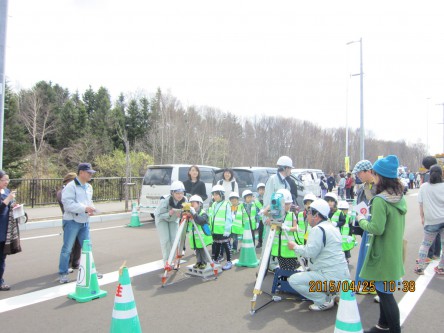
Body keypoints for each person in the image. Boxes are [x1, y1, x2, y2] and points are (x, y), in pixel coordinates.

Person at [356, 155, 406, 333]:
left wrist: (361, 220)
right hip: (393, 252)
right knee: (386, 291)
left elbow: (376, 228)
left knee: (385, 296)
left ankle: (394, 329)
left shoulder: (379, 200)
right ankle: (383, 324)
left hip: (381, 254)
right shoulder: (399, 197)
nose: (373, 176)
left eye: (375, 174)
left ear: (380, 176)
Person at [287, 199, 350, 311]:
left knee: (293, 280)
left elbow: (309, 252)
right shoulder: (332, 227)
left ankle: (323, 300)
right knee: (311, 272)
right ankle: (333, 294)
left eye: (309, 212)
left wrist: (295, 247)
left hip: (330, 277)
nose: (307, 216)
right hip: (343, 276)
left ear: (316, 215)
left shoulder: (318, 229)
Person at [58, 163, 99, 284]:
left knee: (87, 247)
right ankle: (63, 273)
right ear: (81, 172)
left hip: (84, 220)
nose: (91, 174)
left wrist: (91, 208)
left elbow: (89, 202)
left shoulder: (89, 187)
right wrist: (85, 208)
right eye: (88, 172)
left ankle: (91, 271)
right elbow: (68, 204)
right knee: (67, 248)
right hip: (71, 220)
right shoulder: (70, 186)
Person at [261, 156, 293, 271]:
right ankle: (263, 267)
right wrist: (267, 216)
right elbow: (268, 199)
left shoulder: (286, 183)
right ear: (285, 168)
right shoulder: (273, 179)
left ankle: (272, 264)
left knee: (276, 241)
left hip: (281, 218)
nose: (291, 171)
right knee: (268, 242)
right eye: (290, 168)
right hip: (272, 218)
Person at [351, 159, 377, 294]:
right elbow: (360, 206)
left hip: (377, 227)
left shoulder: (380, 186)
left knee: (375, 256)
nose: (358, 176)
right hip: (366, 226)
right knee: (365, 255)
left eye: (360, 173)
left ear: (369, 171)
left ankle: (376, 286)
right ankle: (366, 284)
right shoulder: (363, 188)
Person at [414, 164, 444, 275]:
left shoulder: (424, 187)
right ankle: (441, 267)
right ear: (441, 174)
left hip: (431, 221)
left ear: (429, 174)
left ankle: (420, 268)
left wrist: (422, 218)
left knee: (425, 244)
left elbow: (421, 204)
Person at [154, 181, 187, 265]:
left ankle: (174, 259)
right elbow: (158, 215)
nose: (180, 195)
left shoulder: (185, 200)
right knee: (165, 240)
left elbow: (187, 212)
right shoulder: (165, 200)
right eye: (177, 193)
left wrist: (182, 214)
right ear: (172, 193)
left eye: (182, 193)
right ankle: (166, 261)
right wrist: (169, 213)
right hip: (162, 220)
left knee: (175, 239)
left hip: (173, 219)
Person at [57, 172, 81, 273]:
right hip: (69, 220)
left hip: (78, 219)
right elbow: (67, 204)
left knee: (78, 243)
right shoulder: (62, 191)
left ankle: (75, 262)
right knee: (69, 244)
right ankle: (66, 265)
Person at [272, 189, 300, 271]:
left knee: (291, 269)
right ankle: (283, 282)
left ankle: (289, 282)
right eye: (285, 204)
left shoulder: (292, 215)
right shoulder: (275, 215)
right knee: (282, 269)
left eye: (289, 204)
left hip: (289, 248)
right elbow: (274, 228)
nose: (287, 206)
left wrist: (287, 228)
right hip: (279, 249)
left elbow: (295, 228)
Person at [208, 184, 233, 270]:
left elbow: (229, 218)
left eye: (216, 194)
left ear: (222, 194)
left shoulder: (226, 204)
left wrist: (227, 230)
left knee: (226, 245)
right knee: (217, 244)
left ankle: (229, 261)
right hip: (215, 230)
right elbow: (211, 216)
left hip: (223, 230)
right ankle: (215, 259)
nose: (215, 196)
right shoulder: (214, 204)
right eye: (213, 194)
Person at [0, 171, 17, 291]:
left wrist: (15, 206)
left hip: (5, 230)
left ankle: (0, 280)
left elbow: (9, 205)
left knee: (2, 257)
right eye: (4, 179)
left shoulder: (6, 191)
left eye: (8, 179)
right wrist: (8, 199)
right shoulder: (7, 194)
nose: (6, 182)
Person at [188, 195, 212, 269]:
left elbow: (201, 221)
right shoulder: (190, 213)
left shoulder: (203, 213)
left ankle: (204, 262)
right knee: (197, 250)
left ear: (199, 204)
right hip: (195, 237)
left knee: (202, 250)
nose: (192, 204)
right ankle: (199, 262)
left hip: (202, 236)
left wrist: (194, 213)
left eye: (194, 203)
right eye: (191, 203)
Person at [325, 192, 350, 262]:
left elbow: (343, 221)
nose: (329, 203)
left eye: (331, 201)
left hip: (336, 235)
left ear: (335, 202)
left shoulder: (339, 212)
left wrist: (335, 224)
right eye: (327, 201)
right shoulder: (324, 211)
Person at [255, 183, 265, 248]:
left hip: (267, 217)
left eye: (263, 189)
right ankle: (260, 242)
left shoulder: (267, 197)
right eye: (260, 189)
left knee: (267, 231)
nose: (261, 191)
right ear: (258, 191)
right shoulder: (257, 199)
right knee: (260, 231)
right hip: (260, 218)